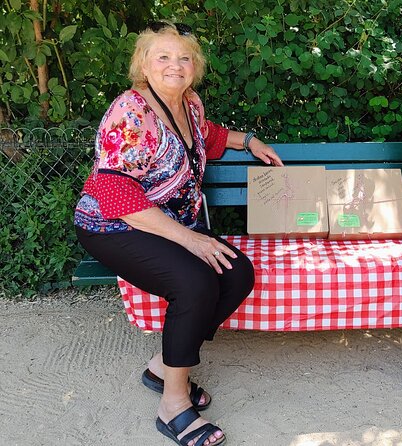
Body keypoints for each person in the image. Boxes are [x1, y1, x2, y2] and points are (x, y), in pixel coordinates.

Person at [74, 21, 283, 446]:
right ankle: (173, 403)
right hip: (113, 224)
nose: (175, 65)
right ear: (144, 65)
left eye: (184, 57)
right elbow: (115, 194)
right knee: (194, 282)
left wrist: (250, 141)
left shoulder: (189, 104)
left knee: (237, 273)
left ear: (195, 66)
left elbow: (207, 137)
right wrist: (191, 239)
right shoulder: (130, 112)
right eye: (163, 57)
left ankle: (161, 366)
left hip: (172, 223)